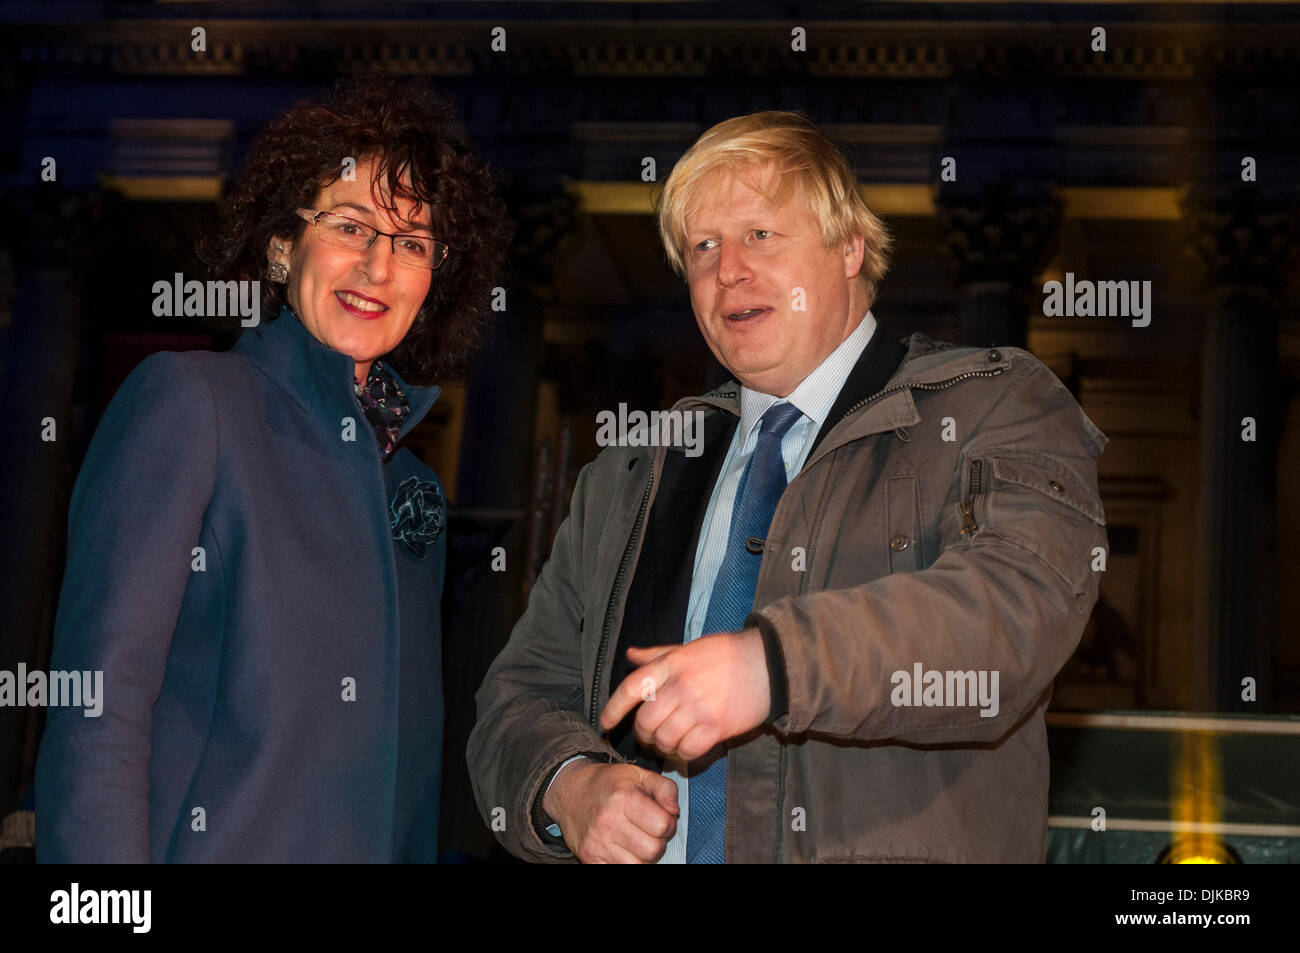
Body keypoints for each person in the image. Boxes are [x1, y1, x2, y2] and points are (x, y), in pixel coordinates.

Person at [468, 110, 1107, 863]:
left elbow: (1013, 612)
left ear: (849, 248)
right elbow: (516, 694)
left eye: (760, 234)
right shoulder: (634, 469)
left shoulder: (996, 406)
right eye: (702, 246)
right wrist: (570, 787)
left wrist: (772, 664)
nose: (727, 268)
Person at [35, 77, 509, 862]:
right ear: (283, 245)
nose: (378, 265)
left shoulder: (412, 485)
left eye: (413, 243)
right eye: (350, 225)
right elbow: (97, 707)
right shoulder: (192, 404)